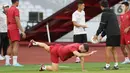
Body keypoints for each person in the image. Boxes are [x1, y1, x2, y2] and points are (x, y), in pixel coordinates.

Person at [28, 40, 97, 71]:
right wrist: (89, 54)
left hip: (58, 48)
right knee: (55, 70)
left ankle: (34, 43)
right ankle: (43, 67)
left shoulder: (79, 46)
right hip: (56, 52)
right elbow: (79, 54)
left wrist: (82, 69)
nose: (82, 50)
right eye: (83, 51)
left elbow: (81, 57)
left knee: (46, 47)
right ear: (82, 48)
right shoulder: (74, 48)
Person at [93, 0, 120, 70]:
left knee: (107, 49)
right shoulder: (113, 13)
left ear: (101, 6)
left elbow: (102, 25)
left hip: (111, 34)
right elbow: (107, 26)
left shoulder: (104, 13)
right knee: (113, 49)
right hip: (117, 33)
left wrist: (96, 34)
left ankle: (107, 66)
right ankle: (116, 65)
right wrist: (101, 36)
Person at [5, 0, 26, 66]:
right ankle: (15, 62)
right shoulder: (16, 10)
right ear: (17, 2)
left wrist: (8, 27)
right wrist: (22, 31)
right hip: (14, 27)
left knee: (10, 45)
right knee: (16, 44)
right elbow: (17, 20)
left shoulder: (8, 10)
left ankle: (7, 62)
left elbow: (7, 20)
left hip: (9, 27)